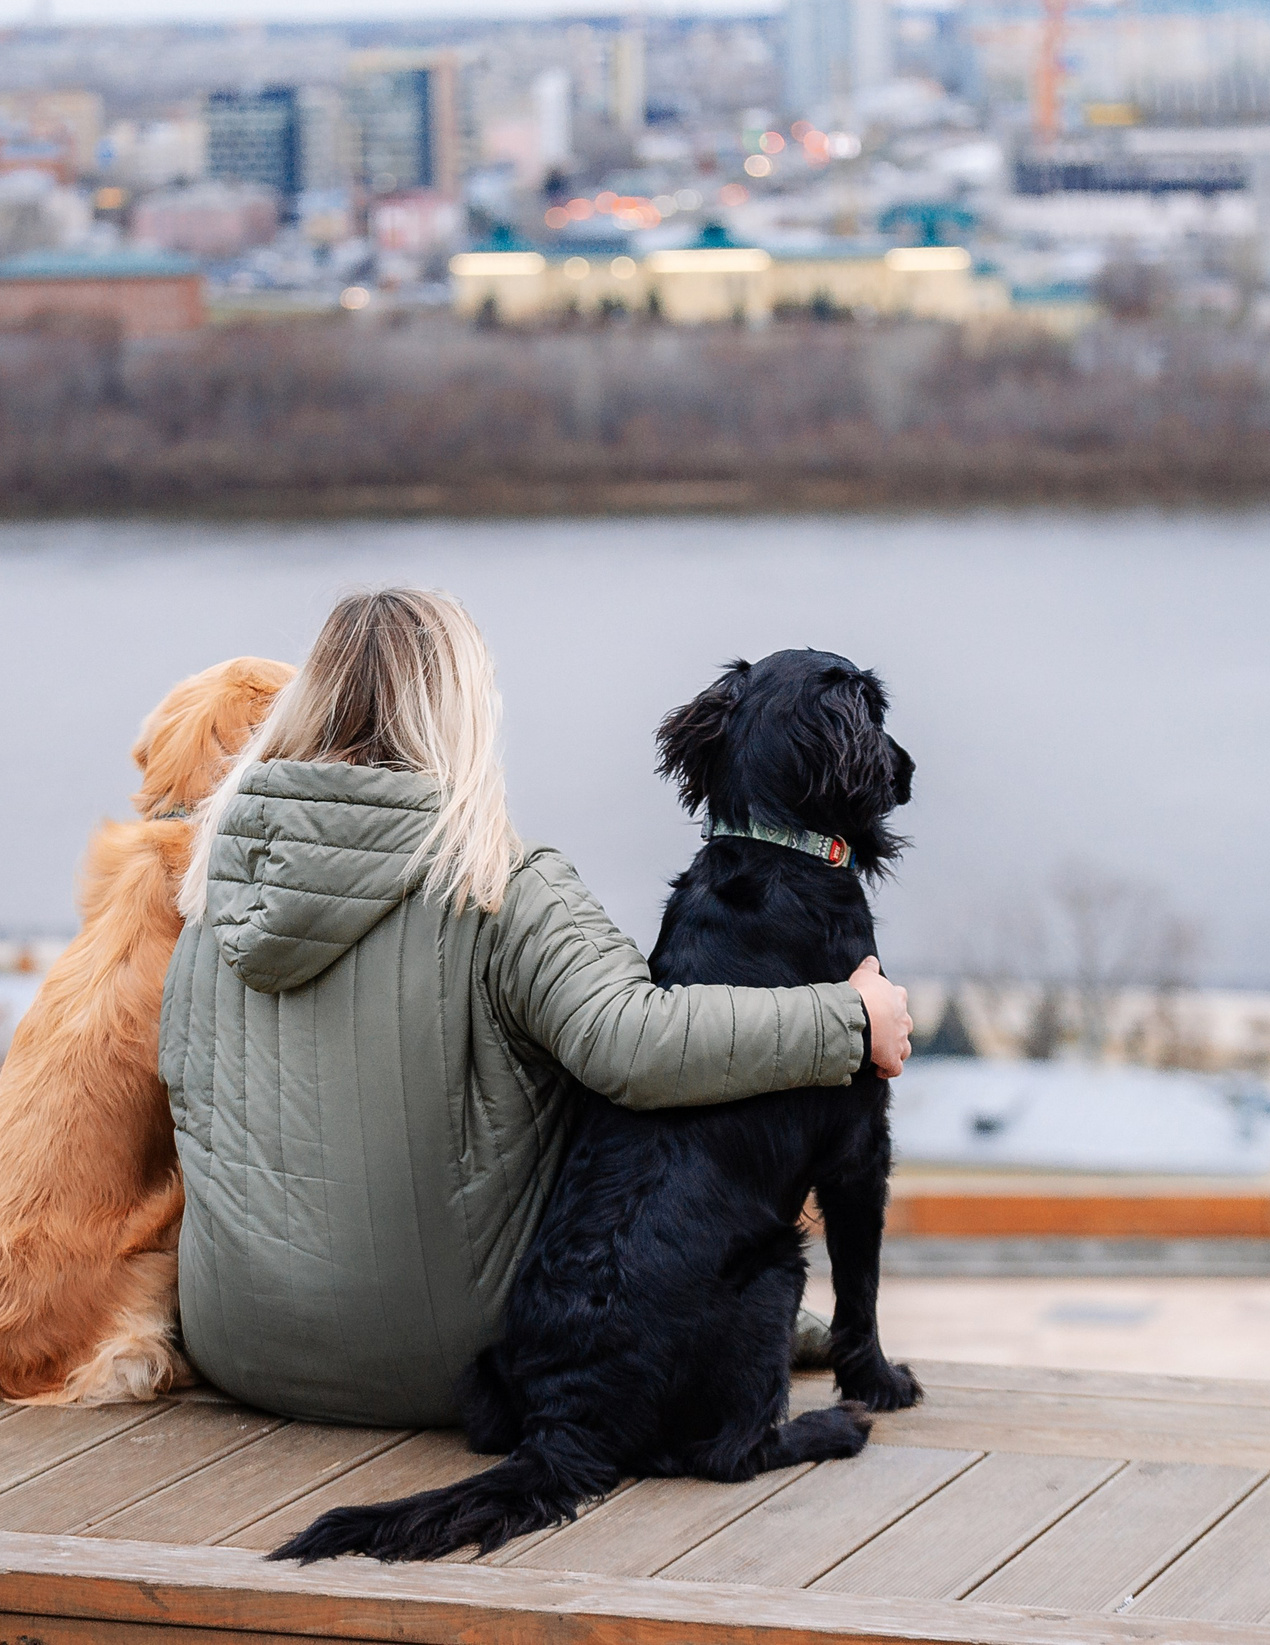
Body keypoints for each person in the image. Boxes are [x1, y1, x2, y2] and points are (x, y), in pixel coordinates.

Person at [160, 588, 914, 1426]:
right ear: (463, 712)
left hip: (237, 1346)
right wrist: (851, 1019)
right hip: (447, 1364)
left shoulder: (215, 892)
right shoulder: (500, 884)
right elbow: (640, 1043)